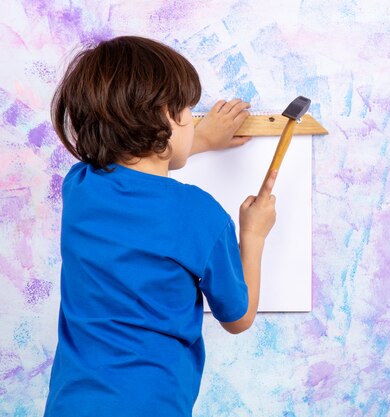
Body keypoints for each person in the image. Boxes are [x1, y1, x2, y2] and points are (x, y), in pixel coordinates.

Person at [43, 35, 276, 417]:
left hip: (71, 404)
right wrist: (253, 233)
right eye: (188, 111)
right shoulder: (201, 215)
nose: (191, 120)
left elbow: (132, 167)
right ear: (167, 116)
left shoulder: (80, 186)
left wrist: (195, 139)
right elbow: (238, 317)